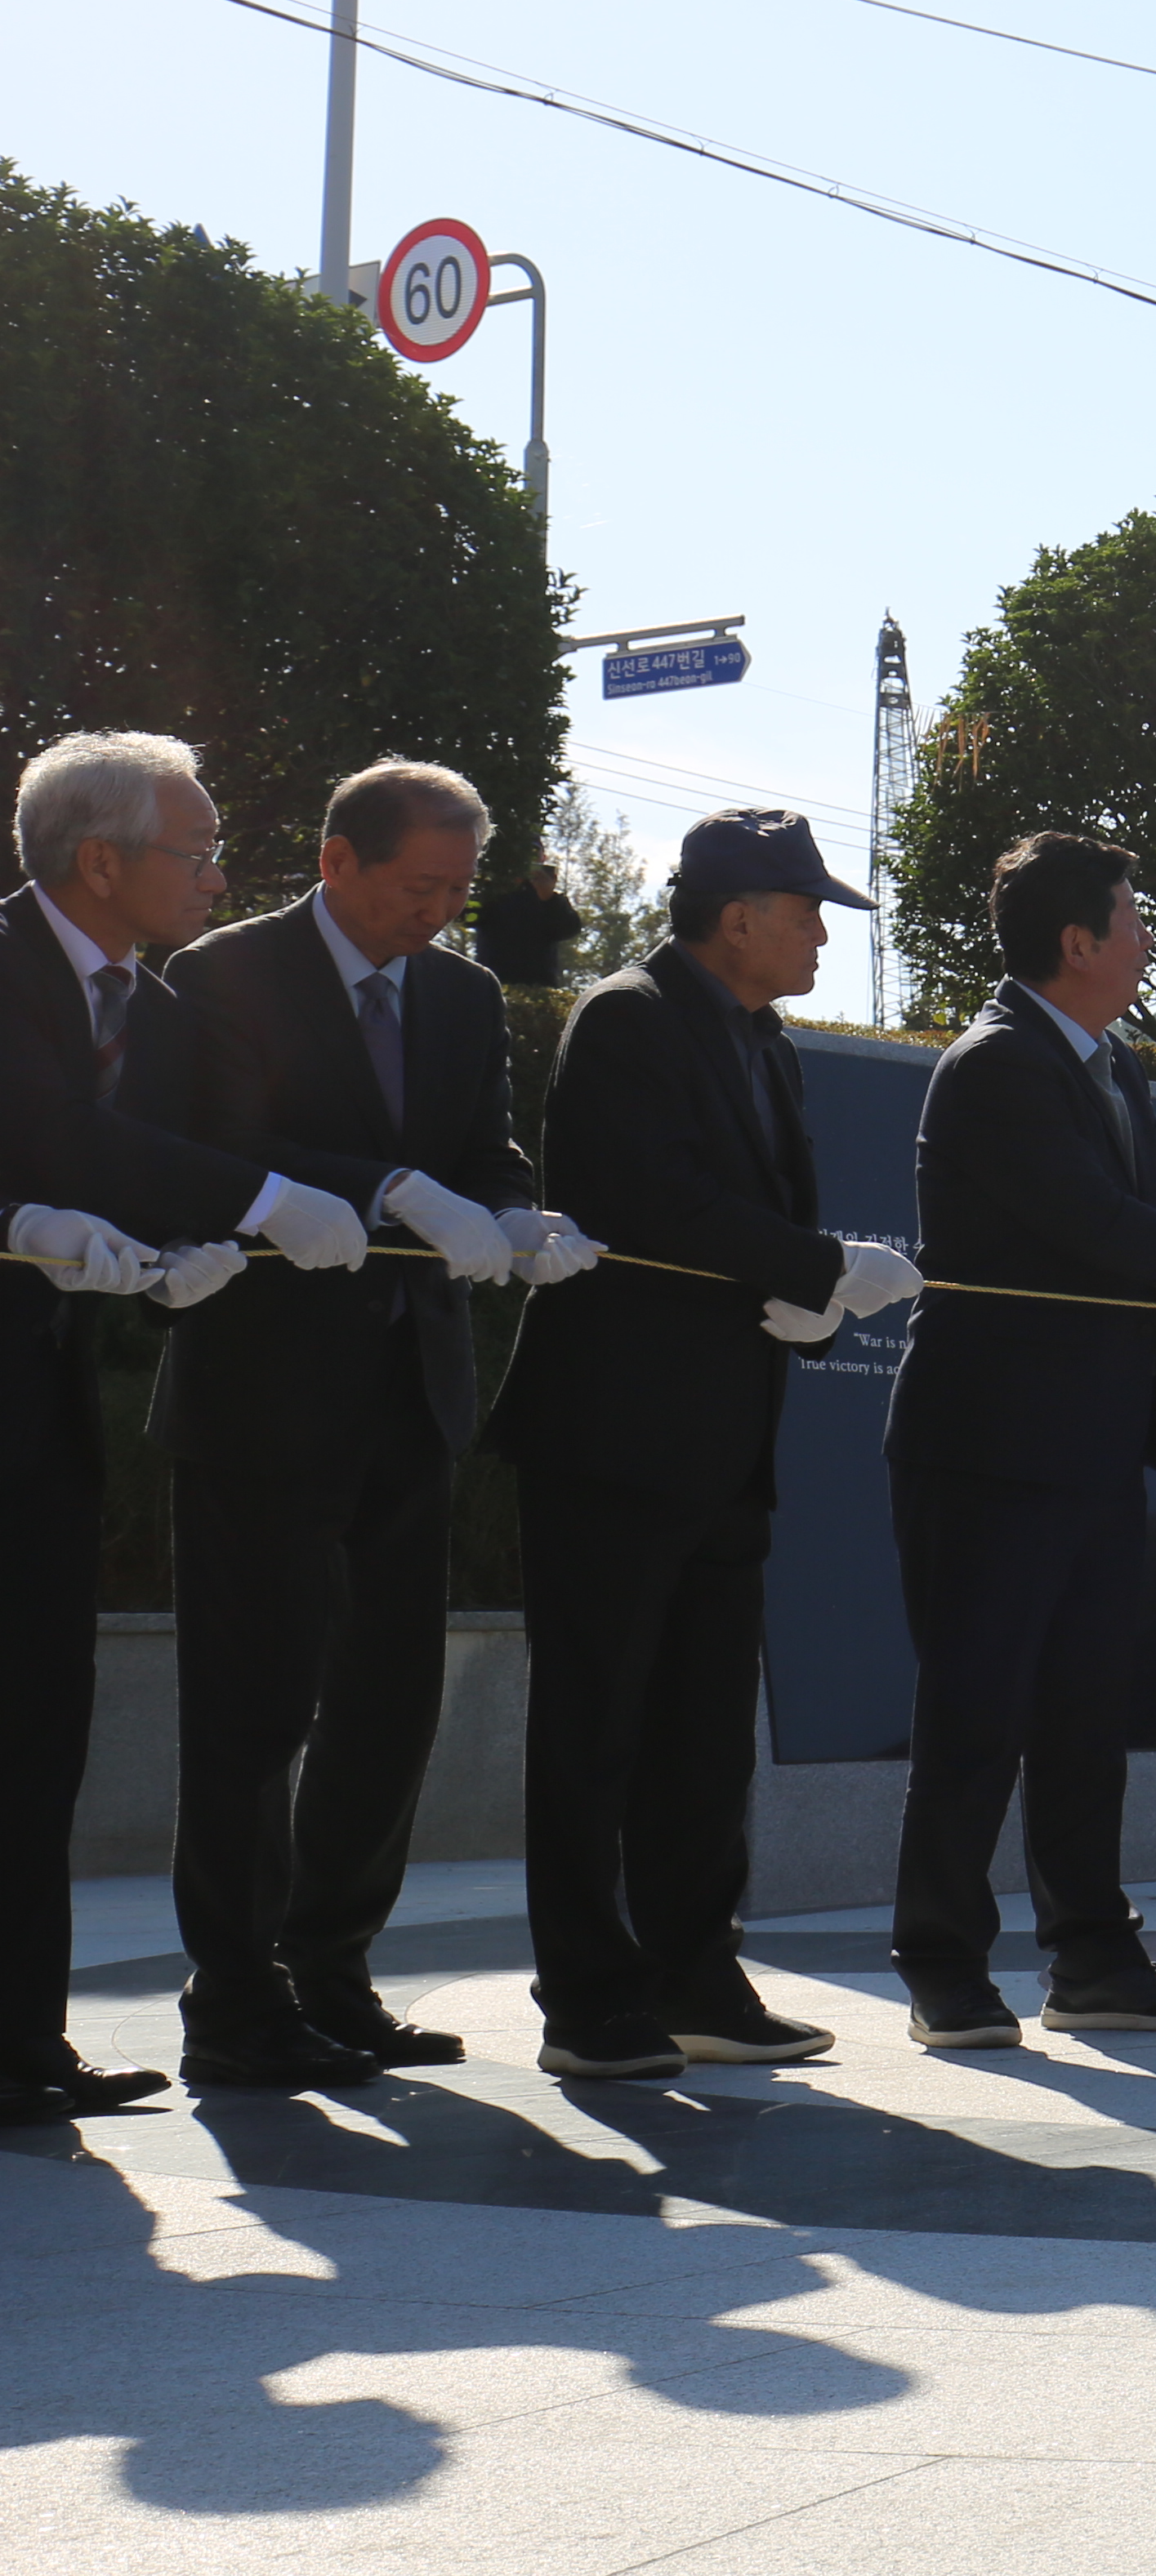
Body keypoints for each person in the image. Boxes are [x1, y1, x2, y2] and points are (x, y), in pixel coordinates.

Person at [155, 760, 597, 2085]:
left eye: (460, 891)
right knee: (251, 1708)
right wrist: (396, 1186)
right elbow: (223, 1143)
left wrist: (517, 1214)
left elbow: (491, 1149)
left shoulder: (462, 996)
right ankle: (233, 2006)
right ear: (340, 863)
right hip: (261, 1397)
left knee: (391, 1702)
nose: (442, 914)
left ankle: (331, 1969)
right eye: (421, 887)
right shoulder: (223, 974)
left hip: (413, 1392)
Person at [485, 809, 913, 2081]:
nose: (822, 935)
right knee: (596, 1722)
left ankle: (695, 1972)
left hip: (728, 1435)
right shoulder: (629, 1017)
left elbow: (763, 1219)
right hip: (615, 1436)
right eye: (806, 911)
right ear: (738, 918)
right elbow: (652, 1198)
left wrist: (809, 1299)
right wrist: (821, 1265)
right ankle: (590, 1998)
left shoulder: (762, 1042)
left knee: (705, 1728)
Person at [879, 828, 1156, 2051]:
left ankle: (1092, 1957)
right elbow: (1088, 1222)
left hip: (1090, 1444)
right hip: (988, 1447)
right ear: (1076, 942)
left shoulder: (1111, 1066)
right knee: (977, 1710)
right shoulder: (997, 1064)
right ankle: (944, 1965)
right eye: (1132, 919)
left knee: (1084, 1713)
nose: (1144, 940)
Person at [3, 732, 341, 2121]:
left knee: (36, 1733)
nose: (217, 875)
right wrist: (255, 1205)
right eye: (194, 852)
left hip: (41, 1416)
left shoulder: (139, 1002)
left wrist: (372, 1203)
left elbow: (188, 1152)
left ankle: (21, 2044)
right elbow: (57, 1146)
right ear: (100, 860)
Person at [475, 856, 584, 992]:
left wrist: (547, 897)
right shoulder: (493, 890)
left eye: (535, 851)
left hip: (538, 985)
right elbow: (466, 917)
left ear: (543, 857)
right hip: (491, 983)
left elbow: (569, 929)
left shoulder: (549, 898)